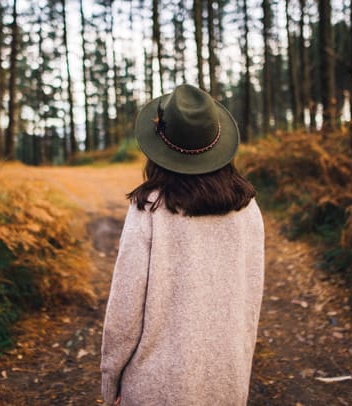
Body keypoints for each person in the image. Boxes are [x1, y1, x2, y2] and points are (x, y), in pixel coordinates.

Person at [100, 84, 265, 406]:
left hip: (154, 388)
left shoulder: (149, 207)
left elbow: (125, 308)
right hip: (225, 380)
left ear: (160, 148)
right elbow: (251, 298)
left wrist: (111, 380)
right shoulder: (248, 207)